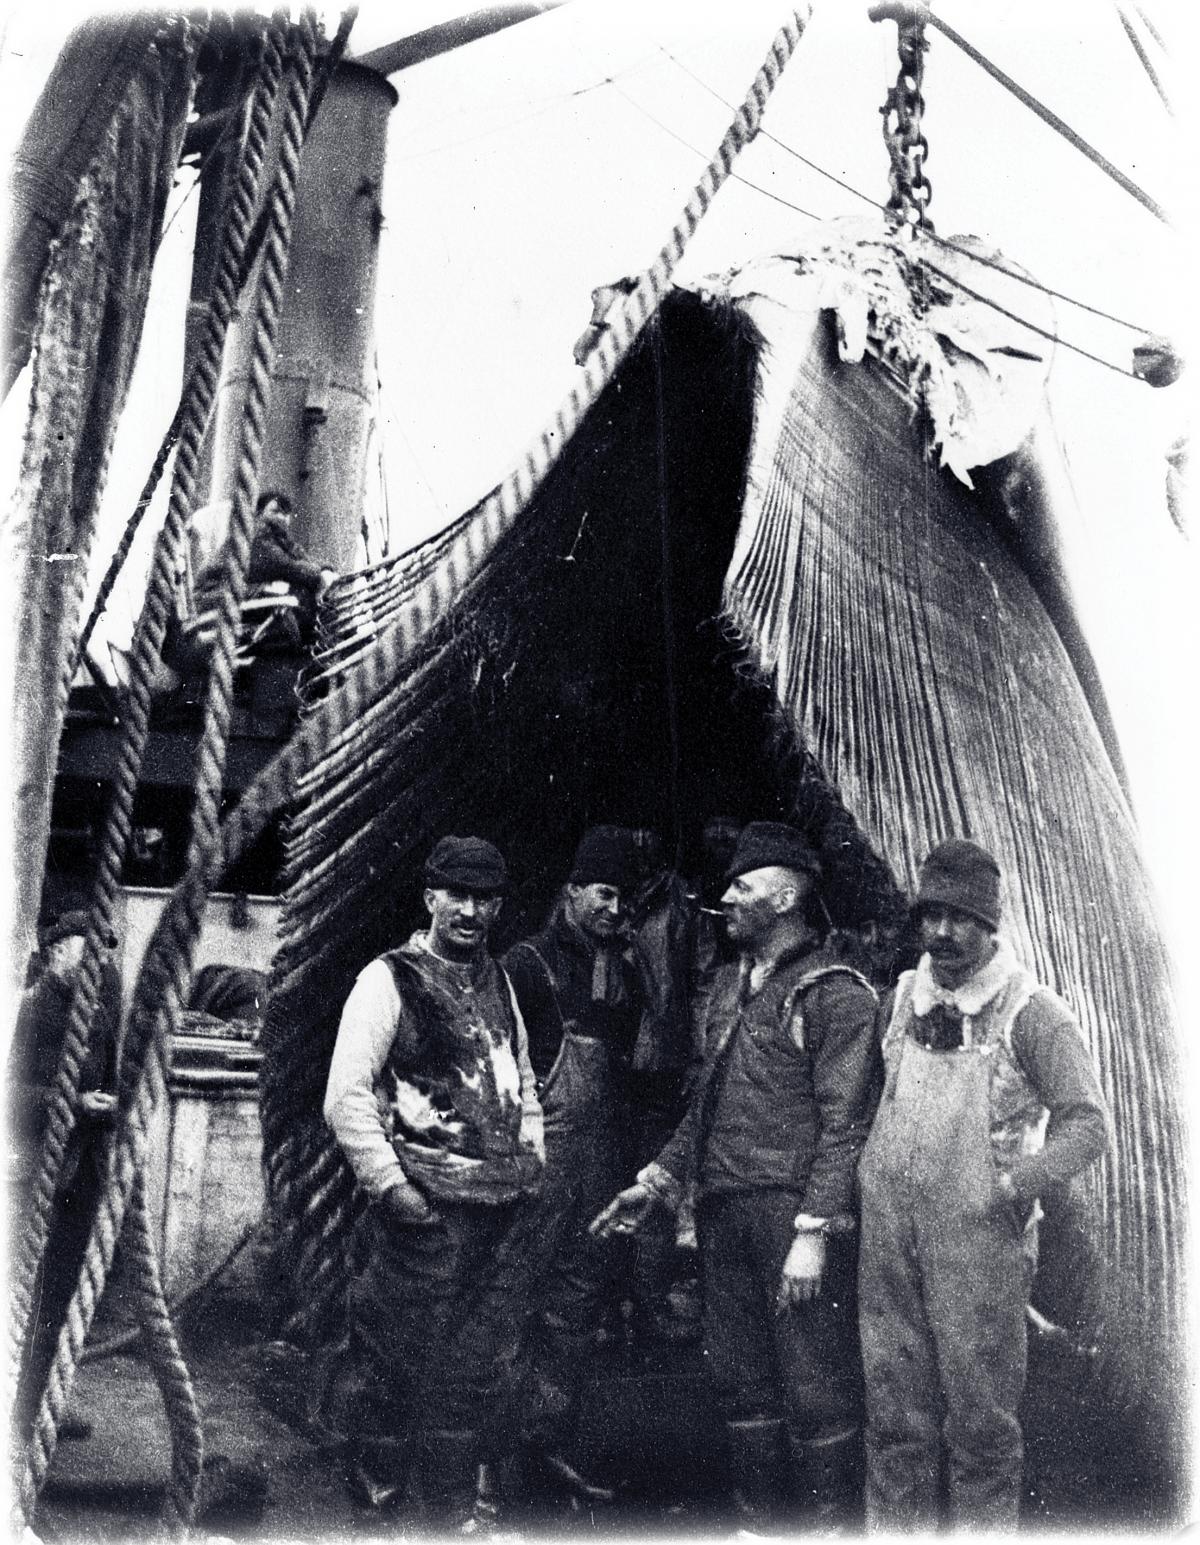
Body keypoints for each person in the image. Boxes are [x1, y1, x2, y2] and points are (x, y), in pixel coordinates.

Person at [592, 820, 881, 1531]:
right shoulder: (746, 989)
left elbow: (846, 1123)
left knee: (814, 1389)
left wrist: (813, 1233)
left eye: (742, 887)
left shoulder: (836, 994)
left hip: (789, 1216)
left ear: (784, 900)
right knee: (742, 1385)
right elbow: (709, 1107)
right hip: (727, 1213)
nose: (725, 899)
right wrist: (656, 1181)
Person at [857, 838, 1112, 1533]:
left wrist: (1009, 1186)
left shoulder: (1033, 1013)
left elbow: (1087, 1126)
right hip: (889, 1237)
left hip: (980, 1245)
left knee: (980, 1427)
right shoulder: (903, 996)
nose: (940, 931)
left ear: (990, 924)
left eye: (960, 917)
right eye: (930, 914)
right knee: (894, 1419)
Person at [323, 836, 544, 1533]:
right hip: (423, 1219)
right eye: (457, 895)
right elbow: (347, 1096)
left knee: (468, 1381)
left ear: (499, 906)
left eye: (484, 898)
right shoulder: (389, 979)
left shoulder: (500, 982)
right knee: (392, 1375)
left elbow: (524, 1077)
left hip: (498, 1214)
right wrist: (393, 1188)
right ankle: (380, 1523)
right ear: (431, 898)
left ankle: (447, 1525)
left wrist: (533, 1150)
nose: (470, 910)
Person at [502, 825, 644, 1503]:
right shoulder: (527, 963)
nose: (615, 907)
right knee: (513, 1303)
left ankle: (543, 1446)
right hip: (539, 1160)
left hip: (599, 1162)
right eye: (604, 892)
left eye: (626, 897)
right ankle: (482, 1467)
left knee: (575, 1307)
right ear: (572, 891)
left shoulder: (622, 968)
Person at [9, 907, 121, 1446]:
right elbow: (11, 1098)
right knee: (22, 1297)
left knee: (58, 1299)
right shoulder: (32, 1011)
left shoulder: (95, 1014)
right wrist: (72, 1102)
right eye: (87, 947)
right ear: (58, 951)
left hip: (79, 1175)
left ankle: (37, 1406)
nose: (97, 958)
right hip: (35, 1175)